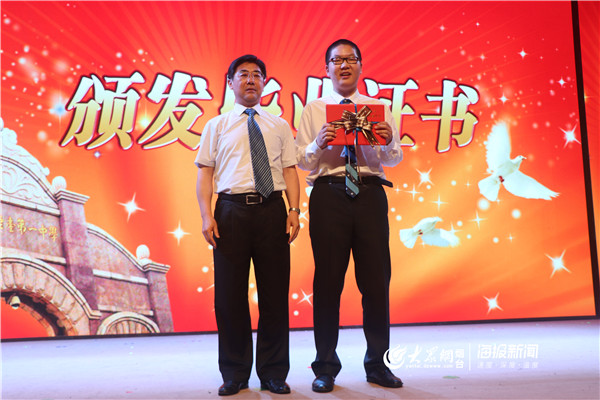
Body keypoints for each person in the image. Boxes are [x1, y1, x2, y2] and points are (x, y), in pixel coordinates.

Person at [296, 39, 404, 392]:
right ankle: (325, 367)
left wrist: (388, 140)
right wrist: (318, 142)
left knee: (376, 283)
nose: (344, 65)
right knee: (328, 283)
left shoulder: (379, 108)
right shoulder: (313, 110)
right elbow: (301, 161)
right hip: (329, 195)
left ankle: (378, 365)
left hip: (370, 193)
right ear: (326, 68)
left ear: (360, 65)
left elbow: (393, 158)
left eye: (351, 59)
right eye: (337, 60)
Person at [195, 54, 300, 396]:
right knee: (229, 297)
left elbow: (289, 170)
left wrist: (294, 209)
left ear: (265, 83)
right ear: (230, 83)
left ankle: (273, 372)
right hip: (230, 212)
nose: (251, 80)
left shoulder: (279, 125)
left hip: (272, 211)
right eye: (243, 74)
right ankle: (235, 373)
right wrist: (206, 215)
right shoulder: (216, 126)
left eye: (257, 75)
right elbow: (205, 173)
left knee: (275, 295)